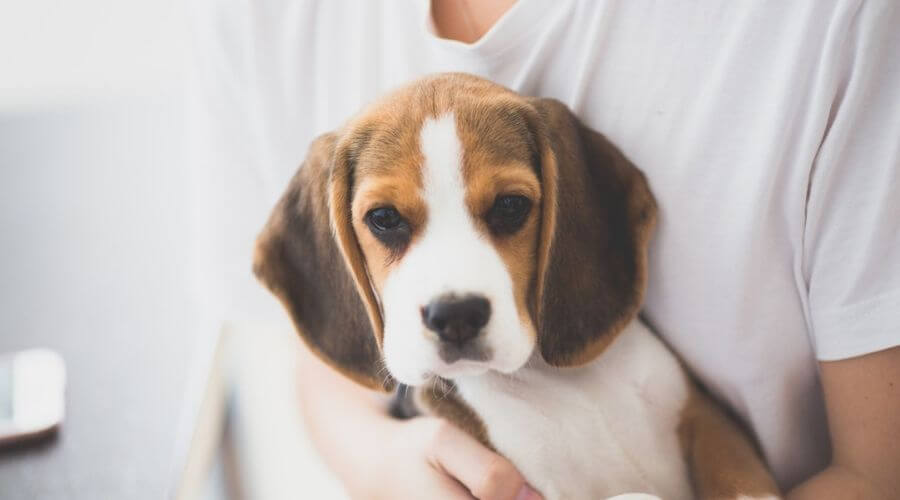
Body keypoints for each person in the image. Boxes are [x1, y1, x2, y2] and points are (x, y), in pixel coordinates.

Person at [188, 0, 900, 498]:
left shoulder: (836, 21)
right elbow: (329, 371)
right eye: (388, 223)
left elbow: (877, 474)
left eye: (507, 209)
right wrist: (378, 463)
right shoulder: (260, 17)